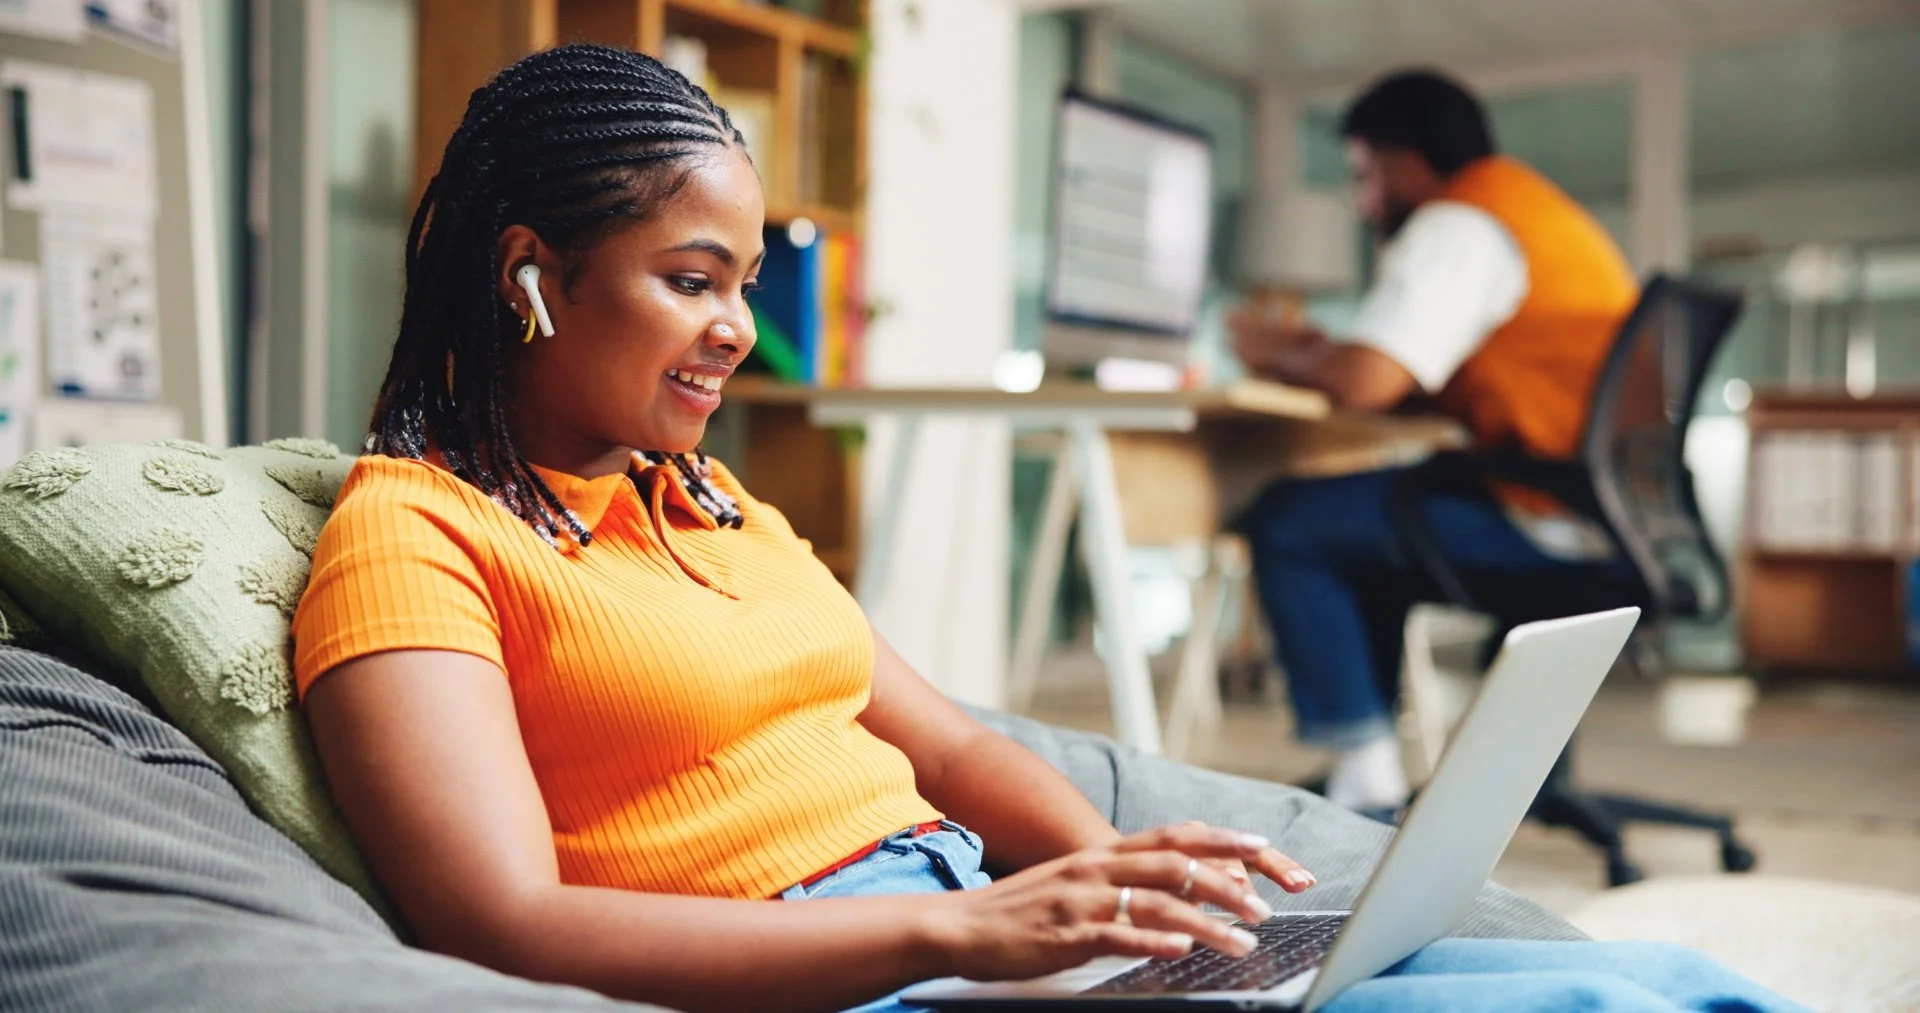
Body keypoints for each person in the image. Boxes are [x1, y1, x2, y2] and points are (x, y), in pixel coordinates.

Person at [292, 45, 1798, 1013]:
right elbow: (497, 924)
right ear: (528, 275)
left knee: (1660, 973)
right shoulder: (415, 534)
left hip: (993, 928)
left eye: (746, 281)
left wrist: (1127, 891)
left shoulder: (707, 498)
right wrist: (956, 939)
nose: (740, 330)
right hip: (876, 973)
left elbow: (949, 750)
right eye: (693, 279)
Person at [1228, 70, 1639, 817]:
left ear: (1408, 162)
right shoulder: (1533, 213)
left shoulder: (1463, 225)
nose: (1363, 199)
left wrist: (1279, 353)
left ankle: (1365, 777)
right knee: (1360, 532)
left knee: (1290, 519)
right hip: (1602, 512)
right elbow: (1411, 374)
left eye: (1365, 174)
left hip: (1544, 513)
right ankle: (1369, 764)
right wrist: (1336, 357)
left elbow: (1364, 382)